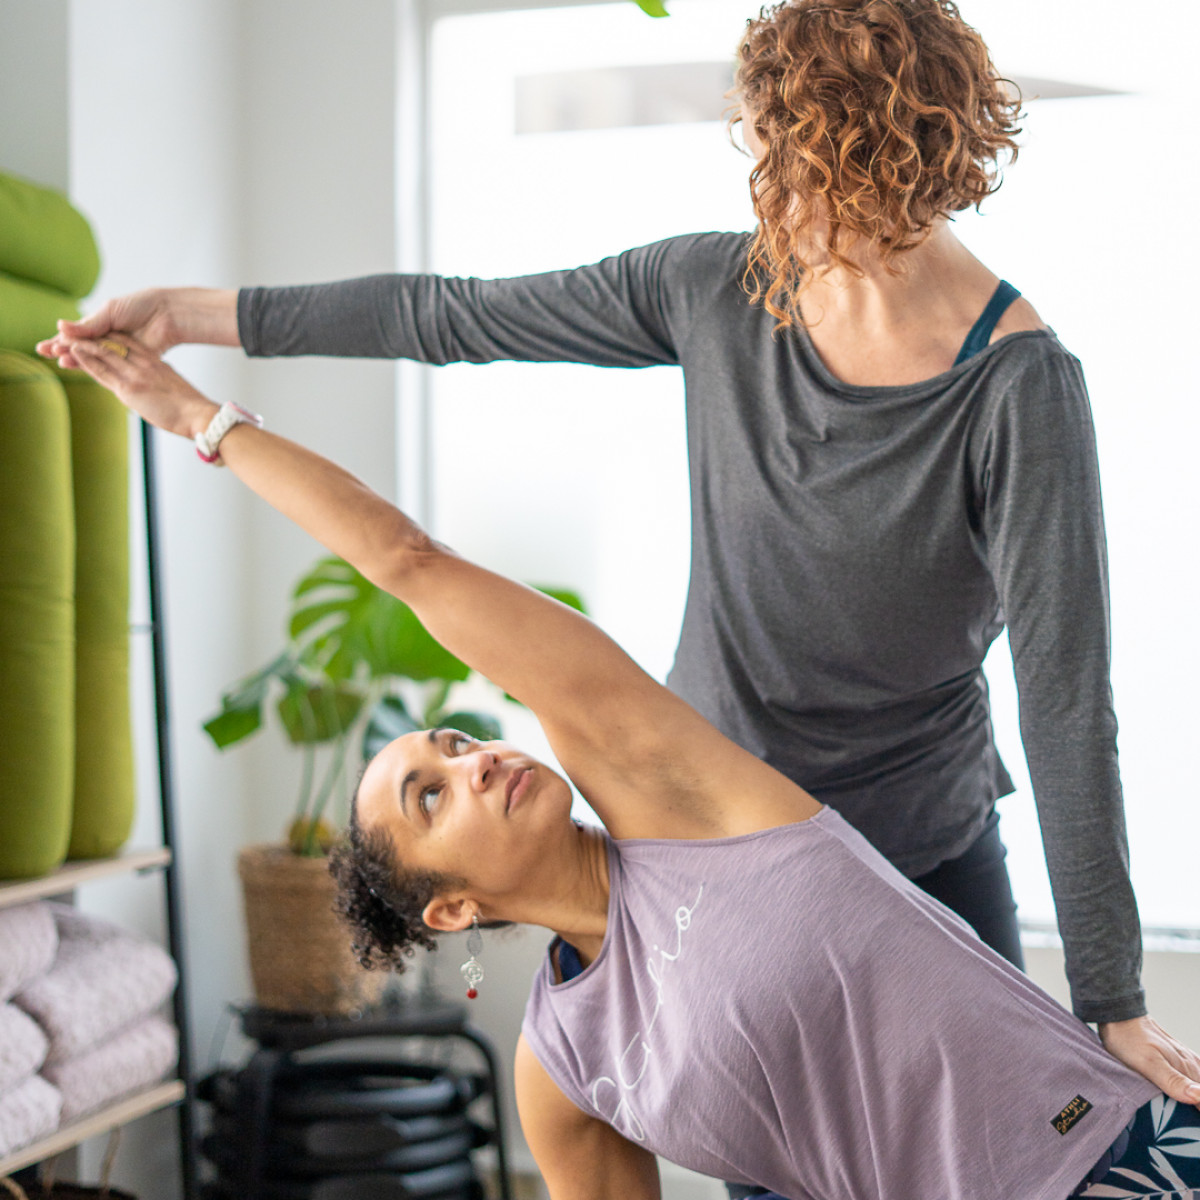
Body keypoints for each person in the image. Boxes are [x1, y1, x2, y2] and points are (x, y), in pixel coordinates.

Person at [38, 0, 1200, 1107]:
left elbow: (1064, 699)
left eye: (813, 180)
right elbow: (457, 316)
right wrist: (197, 315)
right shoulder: (718, 287)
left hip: (925, 860)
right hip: (718, 863)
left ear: (906, 172)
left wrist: (1113, 1001)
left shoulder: (1020, 390)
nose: (780, 206)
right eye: (777, 166)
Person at [60, 331, 1198, 1200]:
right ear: (452, 908)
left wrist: (207, 420)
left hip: (1114, 1161)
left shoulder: (675, 795)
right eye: (431, 794)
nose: (472, 760)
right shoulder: (562, 1072)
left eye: (453, 743)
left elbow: (408, 561)